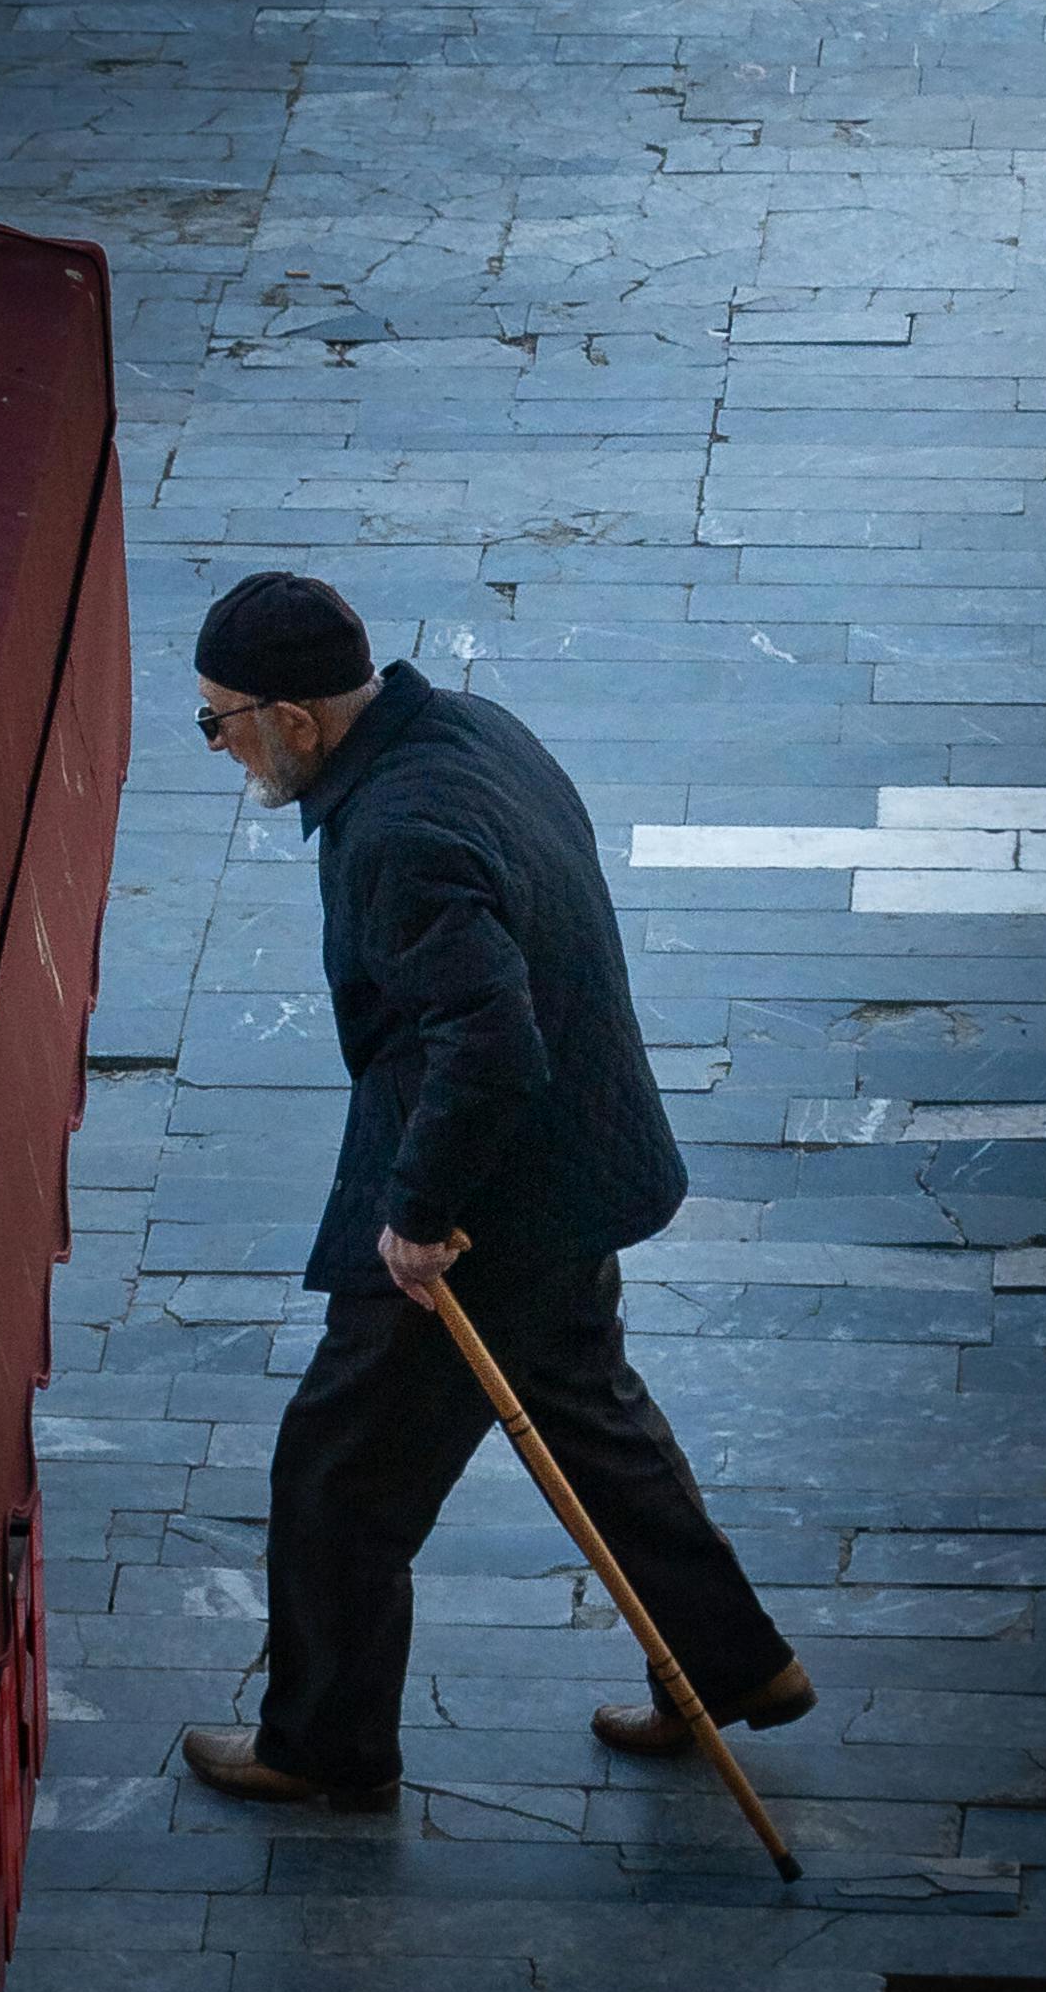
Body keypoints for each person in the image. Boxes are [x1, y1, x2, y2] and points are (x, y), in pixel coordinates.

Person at [175, 570, 811, 1814]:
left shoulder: (398, 831)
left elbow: (489, 1038)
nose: (219, 747)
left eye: (220, 721)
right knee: (586, 1411)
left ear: (294, 719)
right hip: (577, 1160)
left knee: (339, 1474)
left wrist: (416, 1218)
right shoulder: (468, 727)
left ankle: (324, 1746)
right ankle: (737, 1662)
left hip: (489, 1198)